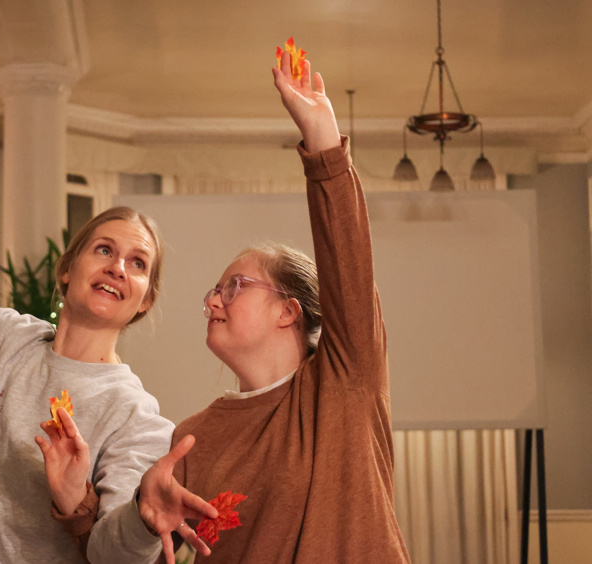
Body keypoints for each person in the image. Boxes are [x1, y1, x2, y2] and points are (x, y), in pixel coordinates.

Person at [0, 27, 216, 563]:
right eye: (103, 250)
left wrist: (139, 519)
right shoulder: (2, 342)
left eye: (137, 263)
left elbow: (113, 556)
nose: (118, 266)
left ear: (143, 299)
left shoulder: (135, 416)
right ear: (68, 269)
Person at [42, 48, 411, 563]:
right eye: (214, 290)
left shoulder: (344, 385)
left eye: (234, 285)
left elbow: (349, 266)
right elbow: (121, 553)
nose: (213, 300)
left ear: (289, 311)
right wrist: (82, 505)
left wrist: (324, 145)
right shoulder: (192, 437)